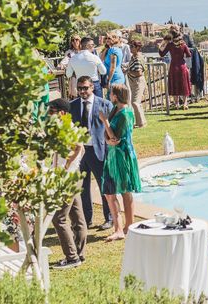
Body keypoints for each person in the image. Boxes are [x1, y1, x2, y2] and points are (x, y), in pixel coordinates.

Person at [98, 84, 142, 241]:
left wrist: (104, 121)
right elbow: (108, 137)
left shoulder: (125, 113)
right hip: (112, 154)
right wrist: (107, 140)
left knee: (125, 190)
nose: (109, 95)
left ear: (116, 96)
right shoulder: (115, 109)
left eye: (111, 93)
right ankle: (120, 227)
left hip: (122, 155)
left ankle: (129, 226)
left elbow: (116, 138)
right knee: (109, 191)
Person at [70, 76, 114, 229]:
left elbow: (112, 128)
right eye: (80, 88)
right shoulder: (72, 106)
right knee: (82, 187)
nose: (82, 91)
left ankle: (109, 218)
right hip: (80, 151)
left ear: (92, 87)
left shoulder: (104, 104)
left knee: (104, 185)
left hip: (98, 150)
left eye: (85, 88)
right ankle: (86, 219)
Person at [48, 98, 87, 269]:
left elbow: (79, 147)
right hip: (74, 177)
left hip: (68, 179)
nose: (49, 116)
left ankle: (72, 258)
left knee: (59, 218)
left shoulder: (66, 127)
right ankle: (79, 253)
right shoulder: (68, 127)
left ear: (61, 113)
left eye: (51, 112)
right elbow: (82, 149)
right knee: (77, 217)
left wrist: (67, 165)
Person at [158, 31, 192, 110]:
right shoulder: (183, 45)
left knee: (174, 85)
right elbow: (189, 54)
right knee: (184, 85)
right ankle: (185, 103)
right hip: (182, 66)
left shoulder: (170, 45)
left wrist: (162, 44)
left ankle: (176, 104)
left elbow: (161, 54)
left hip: (173, 66)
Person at [126, 40, 147, 128]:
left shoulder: (137, 58)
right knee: (136, 102)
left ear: (137, 48)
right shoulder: (134, 57)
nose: (130, 48)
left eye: (132, 47)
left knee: (135, 102)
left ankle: (141, 123)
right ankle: (141, 121)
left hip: (137, 81)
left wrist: (128, 71)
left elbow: (139, 73)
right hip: (135, 81)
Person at [101, 32, 126, 96]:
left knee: (113, 100)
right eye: (106, 38)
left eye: (109, 38)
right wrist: (106, 47)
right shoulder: (113, 49)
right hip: (115, 77)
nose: (107, 40)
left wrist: (108, 80)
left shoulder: (113, 50)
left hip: (115, 78)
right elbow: (101, 59)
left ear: (114, 39)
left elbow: (113, 67)